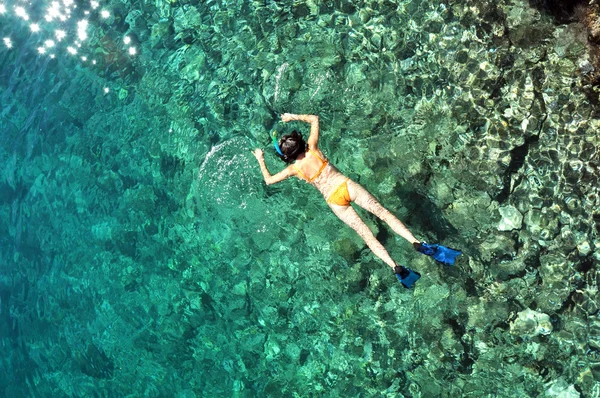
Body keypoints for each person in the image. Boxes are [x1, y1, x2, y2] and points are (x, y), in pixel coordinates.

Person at [252, 113, 461, 288]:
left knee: (367, 236)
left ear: (286, 155)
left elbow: (269, 181)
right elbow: (315, 119)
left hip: (334, 200)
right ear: (300, 142)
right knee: (383, 213)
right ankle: (417, 243)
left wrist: (260, 159)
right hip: (345, 185)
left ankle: (395, 267)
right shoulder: (313, 149)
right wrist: (292, 117)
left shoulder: (293, 170)